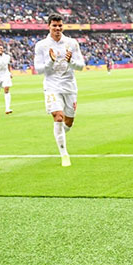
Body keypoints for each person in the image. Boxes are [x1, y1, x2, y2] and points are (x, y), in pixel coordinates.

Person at [34, 14, 85, 167]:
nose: (57, 28)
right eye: (54, 25)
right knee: (58, 117)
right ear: (48, 26)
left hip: (69, 86)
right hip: (51, 86)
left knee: (68, 122)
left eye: (60, 25)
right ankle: (64, 155)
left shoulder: (72, 43)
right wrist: (50, 61)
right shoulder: (41, 45)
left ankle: (60, 134)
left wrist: (71, 62)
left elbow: (81, 66)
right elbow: (38, 70)